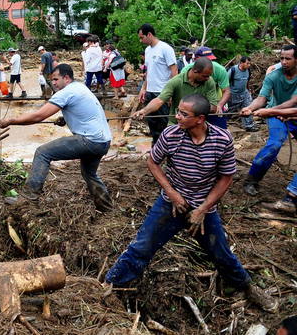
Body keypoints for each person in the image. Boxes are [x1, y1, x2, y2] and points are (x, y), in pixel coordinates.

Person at [105, 94, 278, 313]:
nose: (177, 116)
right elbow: (152, 161)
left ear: (200, 119)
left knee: (221, 252)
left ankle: (245, 286)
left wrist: (203, 209)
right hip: (171, 203)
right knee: (141, 247)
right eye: (177, 111)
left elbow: (226, 178)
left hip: (203, 208)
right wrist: (172, 194)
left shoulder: (222, 139)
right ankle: (109, 286)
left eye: (183, 114)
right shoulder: (171, 134)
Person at [0, 63, 113, 211]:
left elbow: (38, 116)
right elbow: (83, 111)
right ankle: (106, 207)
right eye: (52, 80)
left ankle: (28, 198)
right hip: (103, 142)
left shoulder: (65, 93)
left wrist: (11, 121)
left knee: (43, 153)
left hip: (89, 140)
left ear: (67, 78)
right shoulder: (80, 87)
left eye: (56, 79)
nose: (54, 83)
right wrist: (66, 118)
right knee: (89, 173)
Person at [239, 44, 297, 196]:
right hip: (275, 115)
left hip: (291, 113)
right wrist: (250, 108)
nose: (284, 62)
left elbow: (292, 102)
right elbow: (261, 98)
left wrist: (270, 110)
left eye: (288, 59)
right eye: (282, 58)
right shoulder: (273, 76)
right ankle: (252, 179)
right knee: (275, 144)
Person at [133, 57, 219, 123]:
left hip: (198, 124)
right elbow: (159, 100)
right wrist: (144, 111)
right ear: (195, 71)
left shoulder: (209, 82)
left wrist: (190, 113)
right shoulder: (176, 81)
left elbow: (213, 107)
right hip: (176, 123)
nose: (208, 78)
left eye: (208, 76)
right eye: (205, 76)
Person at [138, 23, 178, 144]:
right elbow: (149, 71)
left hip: (162, 93)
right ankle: (155, 150)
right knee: (152, 125)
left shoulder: (165, 49)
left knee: (164, 125)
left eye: (142, 37)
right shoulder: (147, 50)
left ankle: (166, 151)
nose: (141, 40)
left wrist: (171, 93)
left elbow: (174, 71)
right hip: (150, 92)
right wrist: (143, 88)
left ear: (149, 34)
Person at [181, 47, 230, 129]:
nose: (209, 62)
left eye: (211, 59)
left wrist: (220, 105)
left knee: (219, 131)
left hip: (214, 104)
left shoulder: (220, 70)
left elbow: (226, 91)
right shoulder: (186, 70)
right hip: (194, 105)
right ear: (196, 59)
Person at [228, 56, 258, 132]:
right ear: (241, 63)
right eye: (247, 63)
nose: (249, 65)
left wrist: (249, 90)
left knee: (248, 107)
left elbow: (247, 81)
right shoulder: (233, 70)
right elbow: (225, 82)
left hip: (244, 92)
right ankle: (223, 123)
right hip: (233, 94)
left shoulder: (248, 70)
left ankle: (249, 125)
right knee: (230, 110)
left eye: (250, 63)